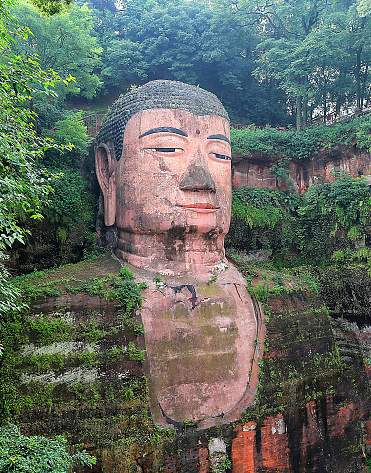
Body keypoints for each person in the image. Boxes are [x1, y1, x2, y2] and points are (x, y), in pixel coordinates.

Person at [94, 80, 264, 429]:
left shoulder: (288, 299)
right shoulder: (66, 309)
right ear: (107, 172)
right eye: (168, 148)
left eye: (220, 155)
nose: (201, 178)